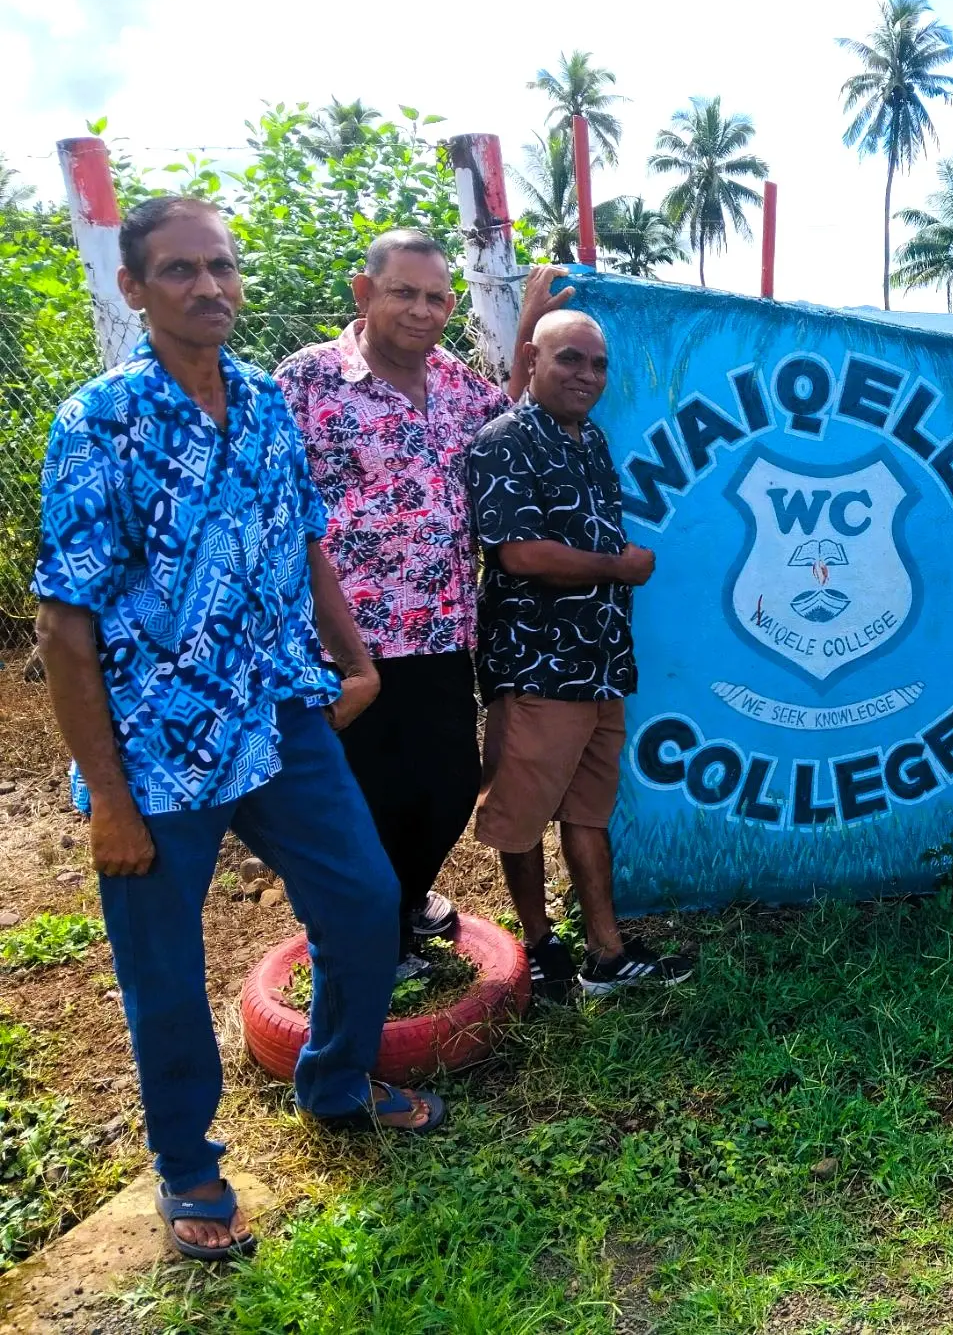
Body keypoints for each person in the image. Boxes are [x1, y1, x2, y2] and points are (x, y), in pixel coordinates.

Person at [33, 198, 444, 1263]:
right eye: (178, 271)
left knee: (362, 904)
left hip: (277, 716)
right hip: (154, 749)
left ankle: (337, 1082)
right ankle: (188, 1167)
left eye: (220, 267)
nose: (207, 288)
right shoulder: (96, 424)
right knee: (162, 973)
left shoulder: (264, 403)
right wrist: (108, 798)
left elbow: (306, 541)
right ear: (133, 288)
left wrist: (352, 659)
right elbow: (64, 624)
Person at [275, 231, 571, 979]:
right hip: (345, 642)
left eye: (437, 296)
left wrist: (532, 332)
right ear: (363, 291)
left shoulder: (455, 386)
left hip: (441, 629)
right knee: (358, 799)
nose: (423, 309)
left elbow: (505, 422)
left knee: (443, 791)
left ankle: (401, 903)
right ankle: (367, 940)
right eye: (404, 292)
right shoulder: (306, 382)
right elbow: (271, 506)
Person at [467, 310, 692, 1001]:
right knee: (523, 813)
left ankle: (607, 951)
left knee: (589, 811)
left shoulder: (589, 438)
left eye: (597, 366)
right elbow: (520, 554)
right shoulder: (505, 442)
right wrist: (617, 569)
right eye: (571, 360)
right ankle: (538, 949)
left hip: (597, 663)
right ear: (532, 357)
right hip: (537, 665)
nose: (587, 377)